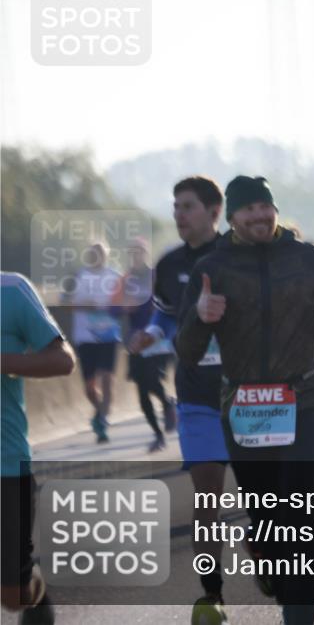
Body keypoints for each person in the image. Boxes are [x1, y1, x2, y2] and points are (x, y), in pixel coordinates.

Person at [175, 175, 314, 625]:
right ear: (233, 217)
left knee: (297, 516)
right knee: (265, 518)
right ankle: (272, 568)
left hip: (304, 401)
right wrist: (201, 318)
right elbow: (186, 350)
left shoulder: (307, 257)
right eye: (249, 209)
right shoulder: (213, 267)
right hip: (245, 408)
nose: (260, 216)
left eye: (266, 207)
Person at [126, 175, 231, 622]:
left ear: (214, 212)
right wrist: (151, 334)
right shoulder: (168, 265)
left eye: (187, 206)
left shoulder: (240, 255)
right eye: (175, 206)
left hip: (248, 397)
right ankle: (212, 594)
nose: (178, 214)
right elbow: (166, 317)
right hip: (196, 396)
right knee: (207, 496)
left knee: (261, 498)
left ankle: (266, 554)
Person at [2, 272, 76, 624]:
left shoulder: (11, 290)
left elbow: (63, 360)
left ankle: (33, 591)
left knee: (13, 596)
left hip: (5, 460)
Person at [118, 238, 176, 453]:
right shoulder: (125, 279)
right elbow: (112, 307)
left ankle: (167, 404)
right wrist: (123, 307)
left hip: (157, 338)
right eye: (132, 252)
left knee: (152, 380)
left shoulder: (156, 275)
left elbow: (170, 302)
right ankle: (158, 435)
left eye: (140, 251)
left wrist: (150, 306)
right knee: (142, 392)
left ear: (146, 254)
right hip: (135, 341)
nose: (136, 256)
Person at [62, 242, 122, 443]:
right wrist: (83, 305)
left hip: (109, 336)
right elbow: (63, 303)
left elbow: (125, 305)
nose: (97, 257)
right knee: (89, 387)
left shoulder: (115, 277)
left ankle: (102, 421)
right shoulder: (76, 276)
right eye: (93, 254)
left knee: (107, 380)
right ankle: (99, 411)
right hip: (85, 337)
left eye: (101, 254)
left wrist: (113, 307)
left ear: (107, 256)